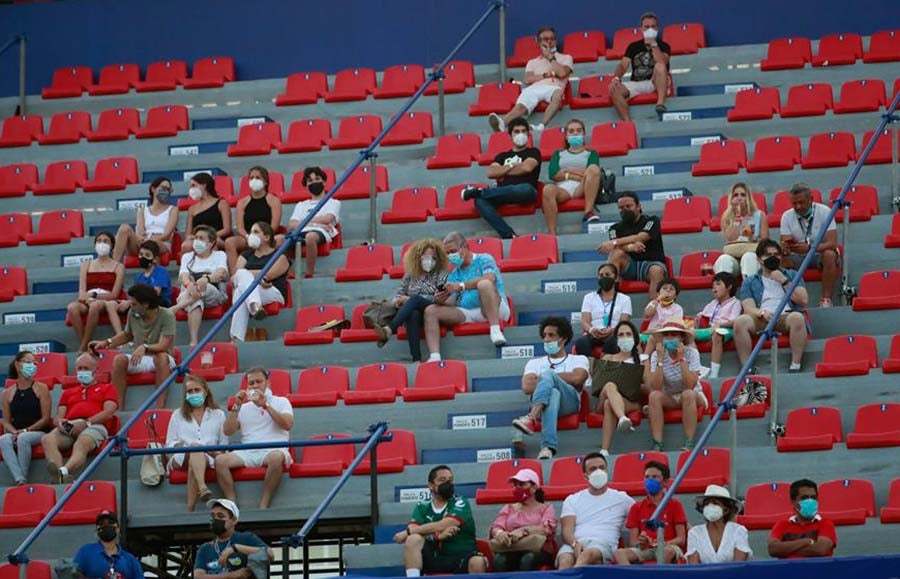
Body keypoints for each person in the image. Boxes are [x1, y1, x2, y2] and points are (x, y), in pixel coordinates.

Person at [215, 368, 293, 509]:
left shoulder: (281, 401)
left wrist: (265, 405)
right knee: (220, 461)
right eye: (251, 383)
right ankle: (231, 502)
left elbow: (287, 425)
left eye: (259, 382)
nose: (255, 385)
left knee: (276, 458)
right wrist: (236, 405)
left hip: (273, 449)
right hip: (248, 451)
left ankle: (264, 503)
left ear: (268, 383)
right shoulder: (244, 407)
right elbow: (228, 431)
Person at [424, 232, 511, 358]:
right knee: (430, 311)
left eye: (452, 251)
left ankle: (495, 329)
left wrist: (461, 286)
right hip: (469, 312)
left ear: (464, 247)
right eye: (447, 253)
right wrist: (440, 300)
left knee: (484, 284)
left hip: (495, 309)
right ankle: (434, 356)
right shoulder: (453, 273)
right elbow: (452, 302)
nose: (450, 256)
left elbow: (490, 277)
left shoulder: (484, 258)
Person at [512, 317, 589, 459]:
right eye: (545, 335)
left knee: (549, 374)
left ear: (563, 339)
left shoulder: (579, 359)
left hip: (569, 403)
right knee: (553, 393)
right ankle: (547, 447)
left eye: (551, 335)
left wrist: (548, 378)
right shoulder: (534, 363)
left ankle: (531, 417)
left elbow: (578, 378)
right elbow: (527, 387)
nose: (546, 339)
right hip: (547, 404)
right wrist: (562, 378)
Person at [91, 283, 176, 409]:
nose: (131, 306)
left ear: (146, 304)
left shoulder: (167, 315)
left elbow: (163, 345)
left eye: (134, 304)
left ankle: (160, 408)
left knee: (161, 357)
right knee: (119, 360)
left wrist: (145, 347)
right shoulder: (133, 313)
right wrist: (106, 342)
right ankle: (118, 408)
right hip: (140, 358)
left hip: (162, 358)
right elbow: (127, 335)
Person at [392, 465, 488, 576]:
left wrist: (407, 532)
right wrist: (437, 537)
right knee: (413, 539)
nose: (448, 483)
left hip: (462, 556)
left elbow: (442, 525)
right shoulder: (422, 505)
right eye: (442, 480)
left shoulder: (460, 501)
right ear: (431, 485)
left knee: (477, 561)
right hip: (434, 557)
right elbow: (414, 530)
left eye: (450, 480)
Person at [733, 239, 809, 373]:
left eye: (776, 254)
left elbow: (803, 300)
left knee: (797, 317)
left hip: (786, 315)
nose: (773, 257)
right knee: (740, 322)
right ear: (759, 259)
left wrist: (784, 281)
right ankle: (747, 368)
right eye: (768, 255)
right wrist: (761, 313)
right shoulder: (750, 281)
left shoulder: (792, 275)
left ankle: (795, 365)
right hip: (762, 317)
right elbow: (748, 307)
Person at [41, 353, 118, 483]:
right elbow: (59, 416)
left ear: (95, 370)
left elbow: (108, 412)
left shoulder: (107, 388)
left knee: (81, 444)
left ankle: (63, 471)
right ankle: (62, 477)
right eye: (79, 368)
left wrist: (86, 422)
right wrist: (60, 423)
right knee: (47, 439)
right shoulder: (68, 393)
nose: (82, 372)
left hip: (94, 425)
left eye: (86, 368)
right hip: (70, 426)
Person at [461, 118, 541, 239]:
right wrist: (511, 165)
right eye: (517, 131)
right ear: (510, 135)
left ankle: (481, 192)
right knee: (479, 201)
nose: (521, 134)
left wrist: (503, 172)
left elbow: (526, 168)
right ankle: (509, 234)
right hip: (503, 194)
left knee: (524, 188)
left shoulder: (533, 152)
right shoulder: (502, 156)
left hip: (525, 192)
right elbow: (491, 172)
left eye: (524, 131)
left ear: (528, 134)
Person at [373, 238, 450, 361]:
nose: (429, 261)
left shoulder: (442, 274)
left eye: (433, 258)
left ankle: (389, 329)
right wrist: (400, 301)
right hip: (415, 313)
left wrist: (409, 300)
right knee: (412, 313)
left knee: (415, 300)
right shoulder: (410, 275)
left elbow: (440, 297)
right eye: (426, 257)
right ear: (418, 257)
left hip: (434, 311)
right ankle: (416, 360)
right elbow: (398, 295)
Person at [488, 27, 573, 133]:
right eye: (545, 39)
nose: (549, 42)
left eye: (552, 39)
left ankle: (541, 126)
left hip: (554, 87)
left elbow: (562, 73)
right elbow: (528, 79)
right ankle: (502, 124)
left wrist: (550, 57)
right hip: (534, 88)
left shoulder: (566, 58)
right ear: (538, 42)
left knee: (558, 94)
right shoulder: (532, 62)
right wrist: (547, 75)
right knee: (521, 106)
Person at [557, 452, 635, 568]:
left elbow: (641, 515)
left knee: (586, 556)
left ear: (607, 471)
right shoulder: (572, 499)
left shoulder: (622, 498)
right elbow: (567, 530)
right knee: (565, 559)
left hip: (603, 545)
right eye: (593, 469)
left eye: (602, 468)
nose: (598, 472)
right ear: (585, 476)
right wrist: (574, 544)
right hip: (576, 543)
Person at [166, 375, 228, 512]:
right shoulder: (177, 414)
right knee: (195, 450)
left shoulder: (218, 414)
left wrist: (213, 452)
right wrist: (184, 446)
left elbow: (224, 444)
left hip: (209, 457)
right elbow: (170, 443)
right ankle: (202, 487)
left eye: (197, 390)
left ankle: (190, 508)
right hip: (181, 457)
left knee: (195, 459)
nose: (193, 394)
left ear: (205, 392)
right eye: (190, 391)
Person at [646, 320, 705, 451]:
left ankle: (689, 442)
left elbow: (690, 385)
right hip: (670, 396)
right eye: (666, 335)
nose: (670, 338)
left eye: (674, 335)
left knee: (687, 394)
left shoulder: (692, 353)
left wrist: (681, 358)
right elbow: (655, 386)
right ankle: (658, 443)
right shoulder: (657, 355)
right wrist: (660, 361)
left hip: (693, 394)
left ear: (682, 338)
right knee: (654, 396)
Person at [779, 182, 840, 307]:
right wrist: (785, 249)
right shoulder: (786, 216)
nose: (798, 206)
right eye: (794, 203)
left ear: (811, 199)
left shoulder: (824, 211)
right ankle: (789, 301)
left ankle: (826, 300)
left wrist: (811, 248)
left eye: (801, 202)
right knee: (782, 260)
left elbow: (832, 243)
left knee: (829, 255)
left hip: (820, 253)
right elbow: (785, 241)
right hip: (798, 254)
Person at [597, 192, 667, 300]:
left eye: (628, 206)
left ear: (639, 206)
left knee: (656, 270)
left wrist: (615, 242)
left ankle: (654, 308)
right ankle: (610, 300)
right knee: (615, 253)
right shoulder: (614, 228)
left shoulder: (651, 220)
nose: (624, 209)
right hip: (629, 265)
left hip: (652, 263)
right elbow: (616, 248)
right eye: (621, 208)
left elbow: (641, 237)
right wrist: (630, 247)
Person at [614, 461, 687, 564]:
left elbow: (681, 539)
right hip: (646, 549)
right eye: (647, 477)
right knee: (619, 553)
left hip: (669, 547)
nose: (650, 480)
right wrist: (641, 543)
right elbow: (633, 541)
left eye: (654, 476)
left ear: (665, 481)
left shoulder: (675, 505)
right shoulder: (636, 507)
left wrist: (662, 544)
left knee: (665, 552)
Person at [229, 221, 289, 343]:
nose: (251, 235)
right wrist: (257, 279)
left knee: (242, 281)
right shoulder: (245, 255)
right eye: (251, 232)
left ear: (266, 237)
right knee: (241, 289)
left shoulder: (280, 256)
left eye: (256, 232)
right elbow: (234, 277)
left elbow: (269, 275)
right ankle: (255, 306)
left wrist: (251, 276)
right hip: (253, 291)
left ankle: (235, 339)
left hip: (272, 291)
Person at [488, 468, 558, 572]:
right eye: (516, 485)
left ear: (534, 487)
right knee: (499, 560)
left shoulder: (546, 508)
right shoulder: (509, 508)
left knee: (527, 559)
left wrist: (523, 531)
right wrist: (500, 533)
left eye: (522, 484)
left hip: (538, 550)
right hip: (511, 548)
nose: (517, 488)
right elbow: (497, 526)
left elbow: (546, 529)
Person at [66, 231, 126, 353]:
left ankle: (83, 348)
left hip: (106, 299)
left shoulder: (118, 267)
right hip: (87, 299)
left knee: (95, 306)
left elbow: (114, 294)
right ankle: (86, 344)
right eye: (99, 241)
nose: (102, 244)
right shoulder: (86, 265)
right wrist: (86, 297)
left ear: (112, 246)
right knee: (72, 307)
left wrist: (94, 295)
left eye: (105, 241)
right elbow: (81, 292)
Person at [171, 225, 229, 347]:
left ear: (211, 243)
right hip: (190, 293)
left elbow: (221, 273)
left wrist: (206, 279)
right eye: (195, 237)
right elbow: (183, 275)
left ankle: (176, 308)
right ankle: (193, 341)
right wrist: (189, 285)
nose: (197, 241)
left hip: (214, 293)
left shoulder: (219, 255)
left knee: (204, 287)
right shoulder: (187, 256)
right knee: (196, 302)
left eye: (201, 238)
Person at [595, 320, 647, 458]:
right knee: (610, 386)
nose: (625, 338)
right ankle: (622, 417)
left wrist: (632, 381)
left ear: (634, 338)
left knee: (609, 405)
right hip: (604, 396)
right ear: (617, 339)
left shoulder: (642, 359)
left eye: (628, 334)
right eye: (621, 335)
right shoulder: (608, 357)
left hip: (631, 401)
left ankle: (605, 450)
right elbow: (598, 385)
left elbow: (649, 387)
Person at [542, 119, 603, 232]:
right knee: (547, 189)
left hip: (582, 187)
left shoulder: (591, 153)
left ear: (584, 134)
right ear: (566, 136)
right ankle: (552, 232)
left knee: (594, 169)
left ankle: (588, 212)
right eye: (571, 131)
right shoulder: (558, 154)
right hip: (562, 189)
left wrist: (566, 171)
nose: (575, 133)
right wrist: (577, 173)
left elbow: (591, 172)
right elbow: (553, 174)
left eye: (579, 131)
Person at [609, 12, 672, 120]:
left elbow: (663, 62)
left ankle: (660, 103)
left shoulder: (664, 45)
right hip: (637, 83)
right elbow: (623, 65)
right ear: (641, 29)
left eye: (653, 26)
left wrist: (653, 45)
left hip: (656, 82)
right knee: (614, 89)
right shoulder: (633, 46)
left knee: (660, 66)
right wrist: (616, 78)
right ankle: (628, 123)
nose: (650, 29)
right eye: (646, 27)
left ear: (657, 28)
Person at [0, 352, 52, 485]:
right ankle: (19, 478)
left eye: (33, 363)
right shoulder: (7, 393)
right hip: (17, 432)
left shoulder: (42, 388)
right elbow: (6, 420)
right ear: (18, 365)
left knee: (24, 438)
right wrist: (14, 432)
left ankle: (23, 477)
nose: (32, 365)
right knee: (4, 439)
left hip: (38, 431)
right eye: (27, 362)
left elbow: (46, 418)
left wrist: (25, 431)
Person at [195, 498, 274, 578]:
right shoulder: (205, 548)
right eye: (212, 516)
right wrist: (230, 576)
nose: (215, 519)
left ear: (234, 520)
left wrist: (235, 548)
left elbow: (269, 554)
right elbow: (198, 576)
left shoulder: (246, 538)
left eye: (220, 516)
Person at [225, 166, 283, 273]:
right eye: (251, 178)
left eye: (258, 177)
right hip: (247, 237)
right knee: (229, 242)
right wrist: (249, 237)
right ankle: (235, 275)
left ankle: (278, 270)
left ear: (265, 182)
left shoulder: (274, 200)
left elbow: (274, 226)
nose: (254, 180)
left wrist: (262, 237)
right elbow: (240, 227)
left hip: (267, 236)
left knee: (280, 239)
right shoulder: (242, 202)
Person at [286, 166, 340, 278]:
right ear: (306, 186)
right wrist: (314, 222)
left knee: (310, 237)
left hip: (321, 232)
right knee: (279, 240)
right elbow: (291, 225)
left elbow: (327, 219)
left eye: (317, 179)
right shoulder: (301, 205)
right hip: (303, 231)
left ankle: (309, 272)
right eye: (310, 181)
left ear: (324, 182)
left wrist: (304, 221)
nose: (314, 182)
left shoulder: (333, 202)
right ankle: (290, 273)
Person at [113, 176, 179, 262]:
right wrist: (144, 239)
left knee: (152, 244)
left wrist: (151, 240)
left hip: (161, 243)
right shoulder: (142, 210)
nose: (165, 191)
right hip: (142, 242)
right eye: (163, 188)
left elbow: (167, 235)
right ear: (153, 189)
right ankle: (114, 266)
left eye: (168, 189)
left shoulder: (173, 210)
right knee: (124, 228)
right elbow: (140, 232)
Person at [768, 479, 837, 559]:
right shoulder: (782, 525)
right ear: (793, 502)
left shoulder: (826, 524)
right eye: (804, 498)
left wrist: (785, 549)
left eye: (813, 497)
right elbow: (773, 549)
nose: (810, 501)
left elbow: (820, 549)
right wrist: (806, 542)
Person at [574, 263, 633, 356]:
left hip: (614, 333)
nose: (604, 277)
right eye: (601, 275)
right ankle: (590, 368)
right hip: (594, 334)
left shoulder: (625, 299)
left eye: (608, 275)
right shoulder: (589, 297)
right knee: (581, 343)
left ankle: (604, 367)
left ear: (616, 278)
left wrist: (613, 330)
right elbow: (585, 321)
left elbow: (624, 322)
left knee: (612, 342)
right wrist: (592, 330)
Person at [713, 182, 768, 279]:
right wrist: (737, 218)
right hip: (734, 255)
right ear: (731, 199)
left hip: (753, 253)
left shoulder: (760, 215)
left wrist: (753, 238)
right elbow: (730, 239)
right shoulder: (727, 216)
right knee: (723, 260)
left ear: (748, 198)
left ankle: (750, 292)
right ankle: (725, 293)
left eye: (743, 195)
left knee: (748, 257)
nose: (739, 198)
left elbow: (766, 243)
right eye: (736, 195)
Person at [686, 484, 752, 563]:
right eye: (707, 504)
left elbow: (738, 565)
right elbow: (694, 568)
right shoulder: (695, 533)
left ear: (726, 510)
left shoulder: (738, 531)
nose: (710, 506)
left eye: (715, 503)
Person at [695, 272, 743, 378]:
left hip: (726, 329)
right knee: (687, 334)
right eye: (712, 286)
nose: (714, 288)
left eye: (718, 284)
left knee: (717, 334)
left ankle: (714, 373)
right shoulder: (713, 303)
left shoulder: (735, 303)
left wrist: (720, 325)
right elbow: (701, 316)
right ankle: (697, 366)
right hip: (710, 329)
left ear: (729, 287)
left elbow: (734, 322)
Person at [73, 511, 143, 579]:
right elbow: (71, 575)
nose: (106, 526)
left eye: (111, 522)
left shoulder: (131, 560)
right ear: (96, 530)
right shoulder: (85, 553)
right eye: (101, 523)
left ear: (118, 529)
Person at [181, 172, 232, 253]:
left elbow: (227, 229)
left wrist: (209, 236)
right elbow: (188, 234)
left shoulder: (221, 203)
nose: (191, 189)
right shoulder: (192, 209)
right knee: (185, 246)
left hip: (217, 238)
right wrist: (197, 237)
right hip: (198, 239)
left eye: (194, 185)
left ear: (204, 185)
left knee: (212, 243)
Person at [640, 278, 684, 353]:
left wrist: (654, 331)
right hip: (648, 334)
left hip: (667, 336)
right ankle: (641, 360)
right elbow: (647, 314)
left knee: (653, 337)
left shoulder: (678, 308)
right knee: (635, 339)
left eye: (671, 289)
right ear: (658, 293)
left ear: (675, 296)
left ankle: (645, 359)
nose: (668, 290)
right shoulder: (653, 303)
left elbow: (673, 327)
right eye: (664, 288)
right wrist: (658, 299)